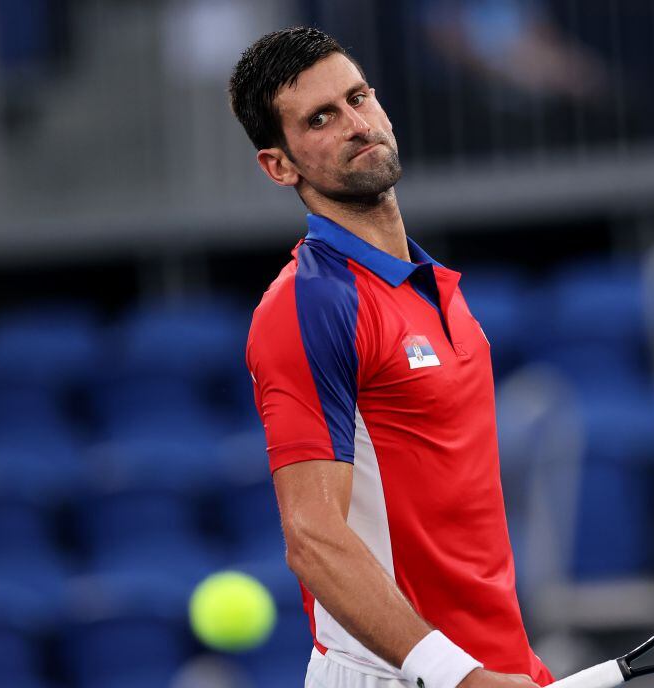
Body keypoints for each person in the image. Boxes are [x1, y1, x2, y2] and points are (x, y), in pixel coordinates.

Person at [228, 26, 554, 688]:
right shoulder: (309, 304)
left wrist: (507, 666)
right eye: (320, 117)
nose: (355, 124)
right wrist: (456, 675)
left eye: (358, 97)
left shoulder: (436, 288)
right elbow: (312, 537)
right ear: (279, 165)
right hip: (397, 675)